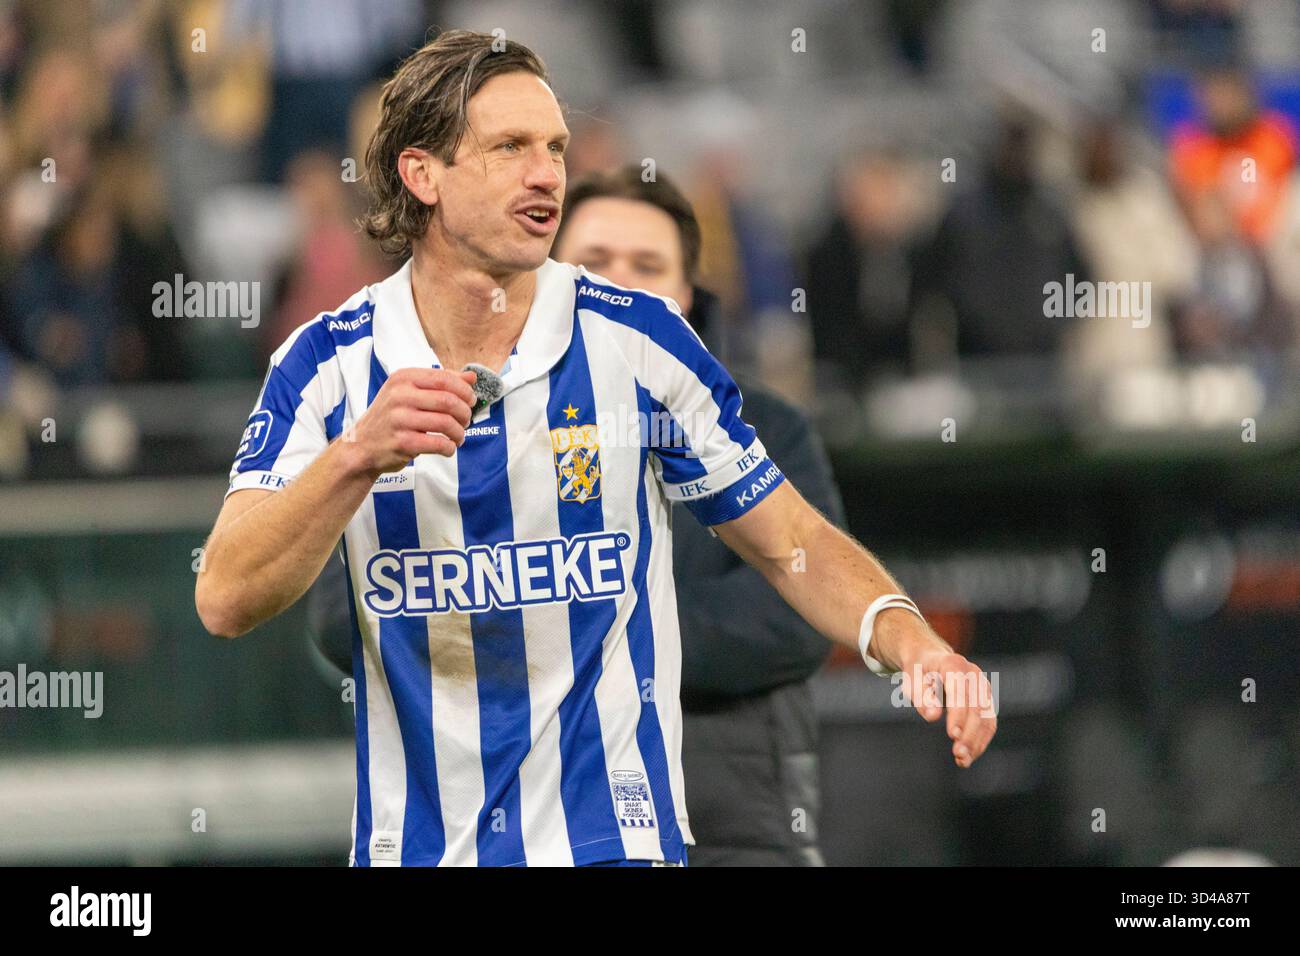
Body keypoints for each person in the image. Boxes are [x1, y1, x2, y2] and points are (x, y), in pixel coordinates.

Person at [195, 30, 996, 868]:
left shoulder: (637, 340)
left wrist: (915, 644)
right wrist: (353, 458)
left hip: (615, 846)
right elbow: (225, 595)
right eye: (509, 148)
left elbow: (792, 542)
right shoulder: (324, 365)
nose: (547, 174)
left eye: (555, 149)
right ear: (421, 173)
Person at [308, 164, 846, 865]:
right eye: (595, 264)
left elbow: (800, 612)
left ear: (687, 294)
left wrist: (573, 626)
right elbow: (336, 609)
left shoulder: (765, 426)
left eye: (647, 265)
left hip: (733, 824)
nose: (620, 284)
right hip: (508, 826)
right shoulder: (446, 420)